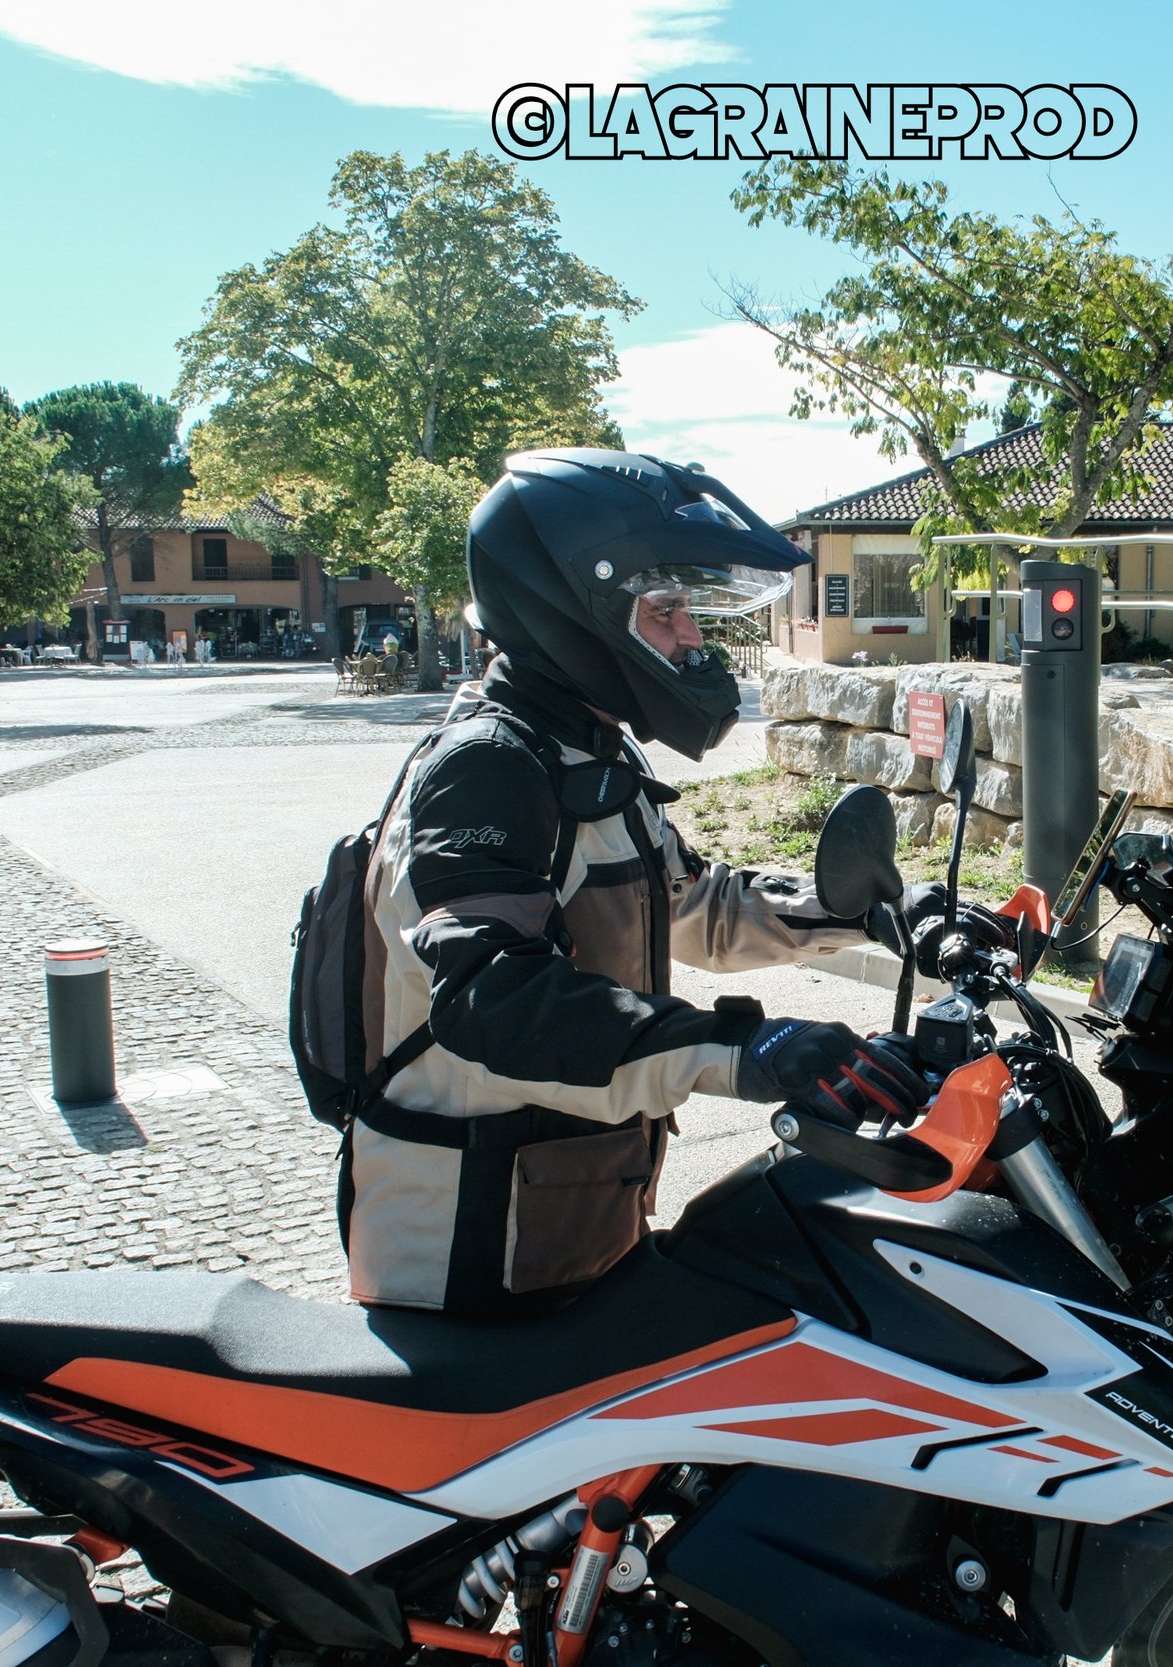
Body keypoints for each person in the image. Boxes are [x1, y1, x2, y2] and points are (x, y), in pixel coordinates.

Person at [345, 448, 1006, 1314]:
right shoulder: (488, 770)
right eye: (665, 611)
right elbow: (494, 1000)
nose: (692, 637)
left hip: (569, 1220)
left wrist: (880, 912)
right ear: (572, 612)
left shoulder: (582, 746)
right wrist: (743, 1049)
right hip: (470, 1256)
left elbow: (696, 906)